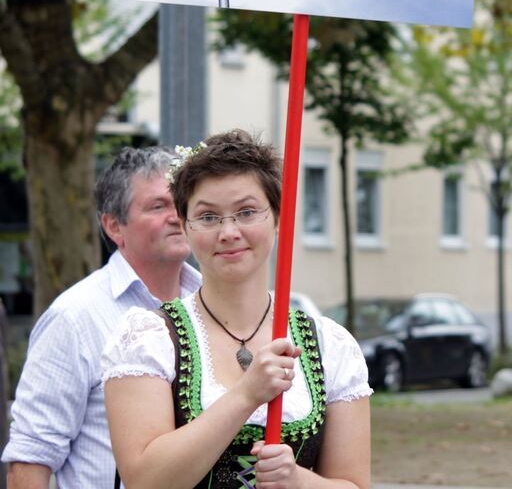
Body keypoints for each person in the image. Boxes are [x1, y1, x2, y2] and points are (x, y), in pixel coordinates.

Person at [103, 130, 371, 489]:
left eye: (246, 212)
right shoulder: (146, 339)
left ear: (277, 218)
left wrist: (298, 481)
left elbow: (354, 484)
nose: (229, 232)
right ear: (185, 226)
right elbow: (144, 481)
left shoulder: (330, 345)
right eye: (208, 217)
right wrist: (247, 395)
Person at [3, 146, 201, 489]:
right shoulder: (74, 318)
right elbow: (31, 459)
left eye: (181, 202)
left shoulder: (208, 304)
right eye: (158, 206)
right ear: (113, 226)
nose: (177, 216)